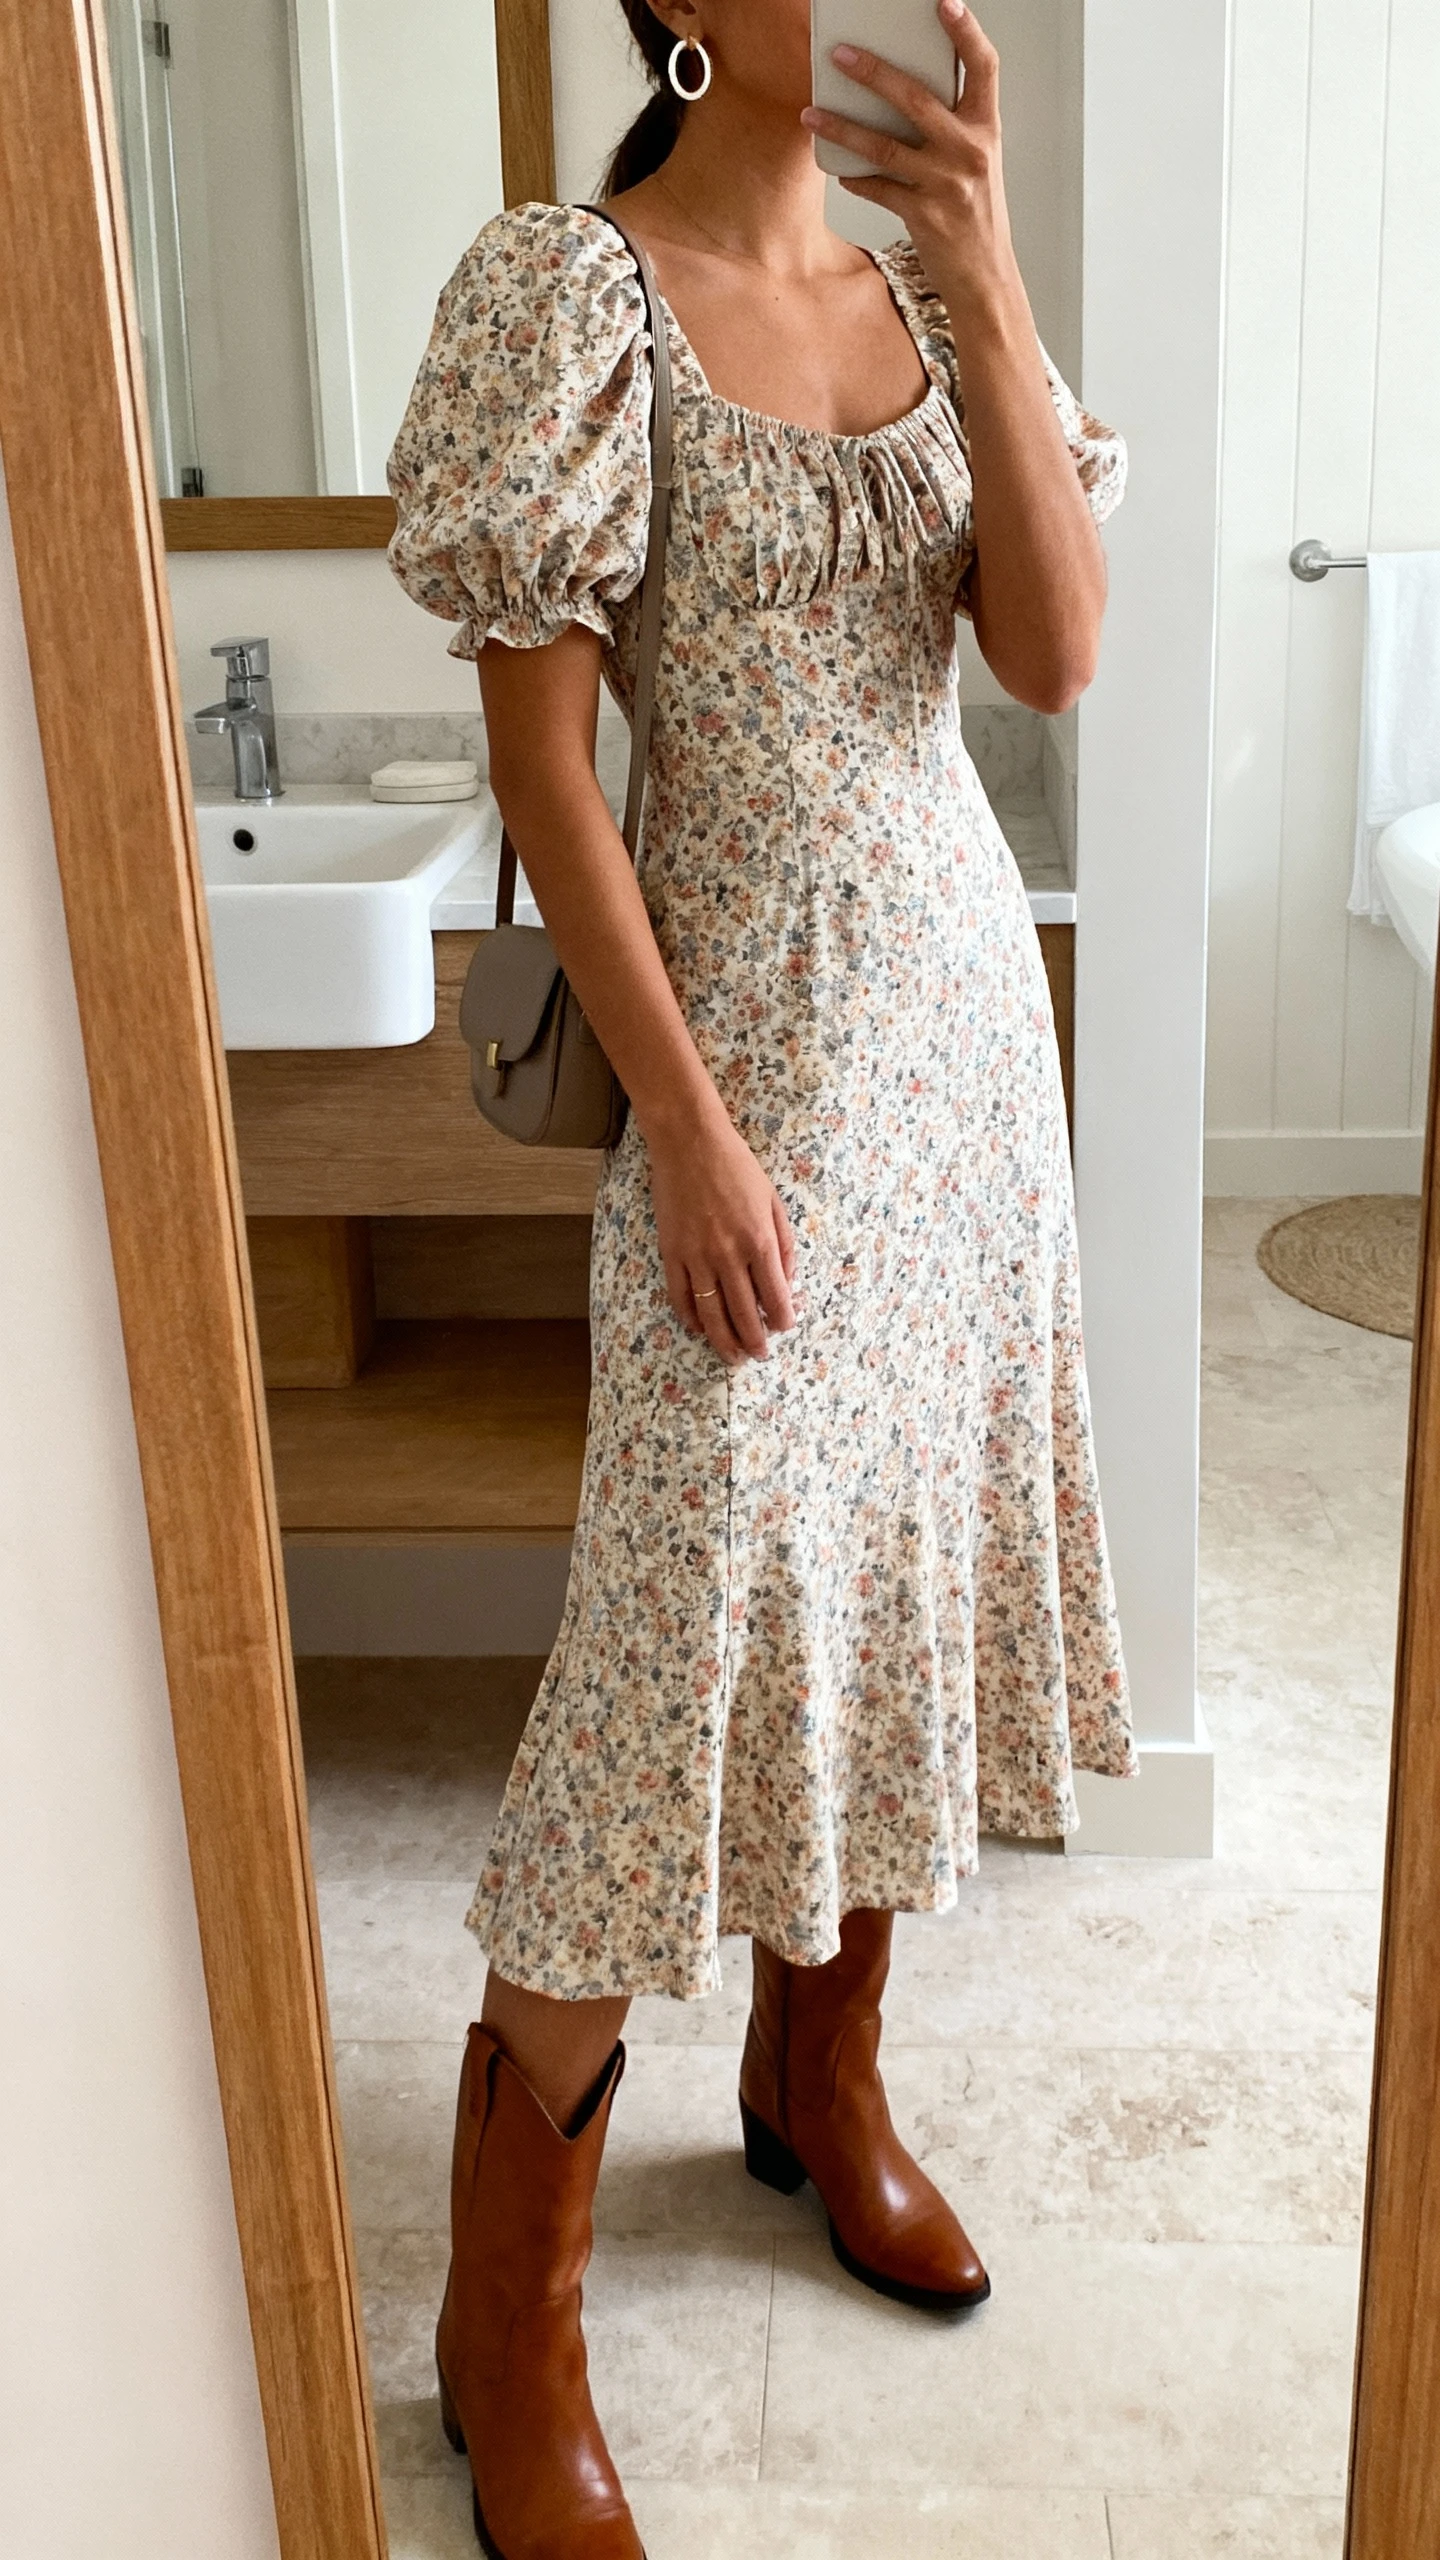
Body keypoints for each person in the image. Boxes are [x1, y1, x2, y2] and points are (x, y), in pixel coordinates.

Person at [387, 1, 1136, 2549]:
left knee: (909, 1576)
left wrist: (998, 271)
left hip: (966, 1081)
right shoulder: (566, 295)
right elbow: (542, 777)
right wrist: (689, 1130)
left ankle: (824, 2084)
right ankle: (511, 2319)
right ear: (689, 15)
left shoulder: (945, 294)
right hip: (755, 1094)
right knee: (655, 1670)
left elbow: (1053, 659)